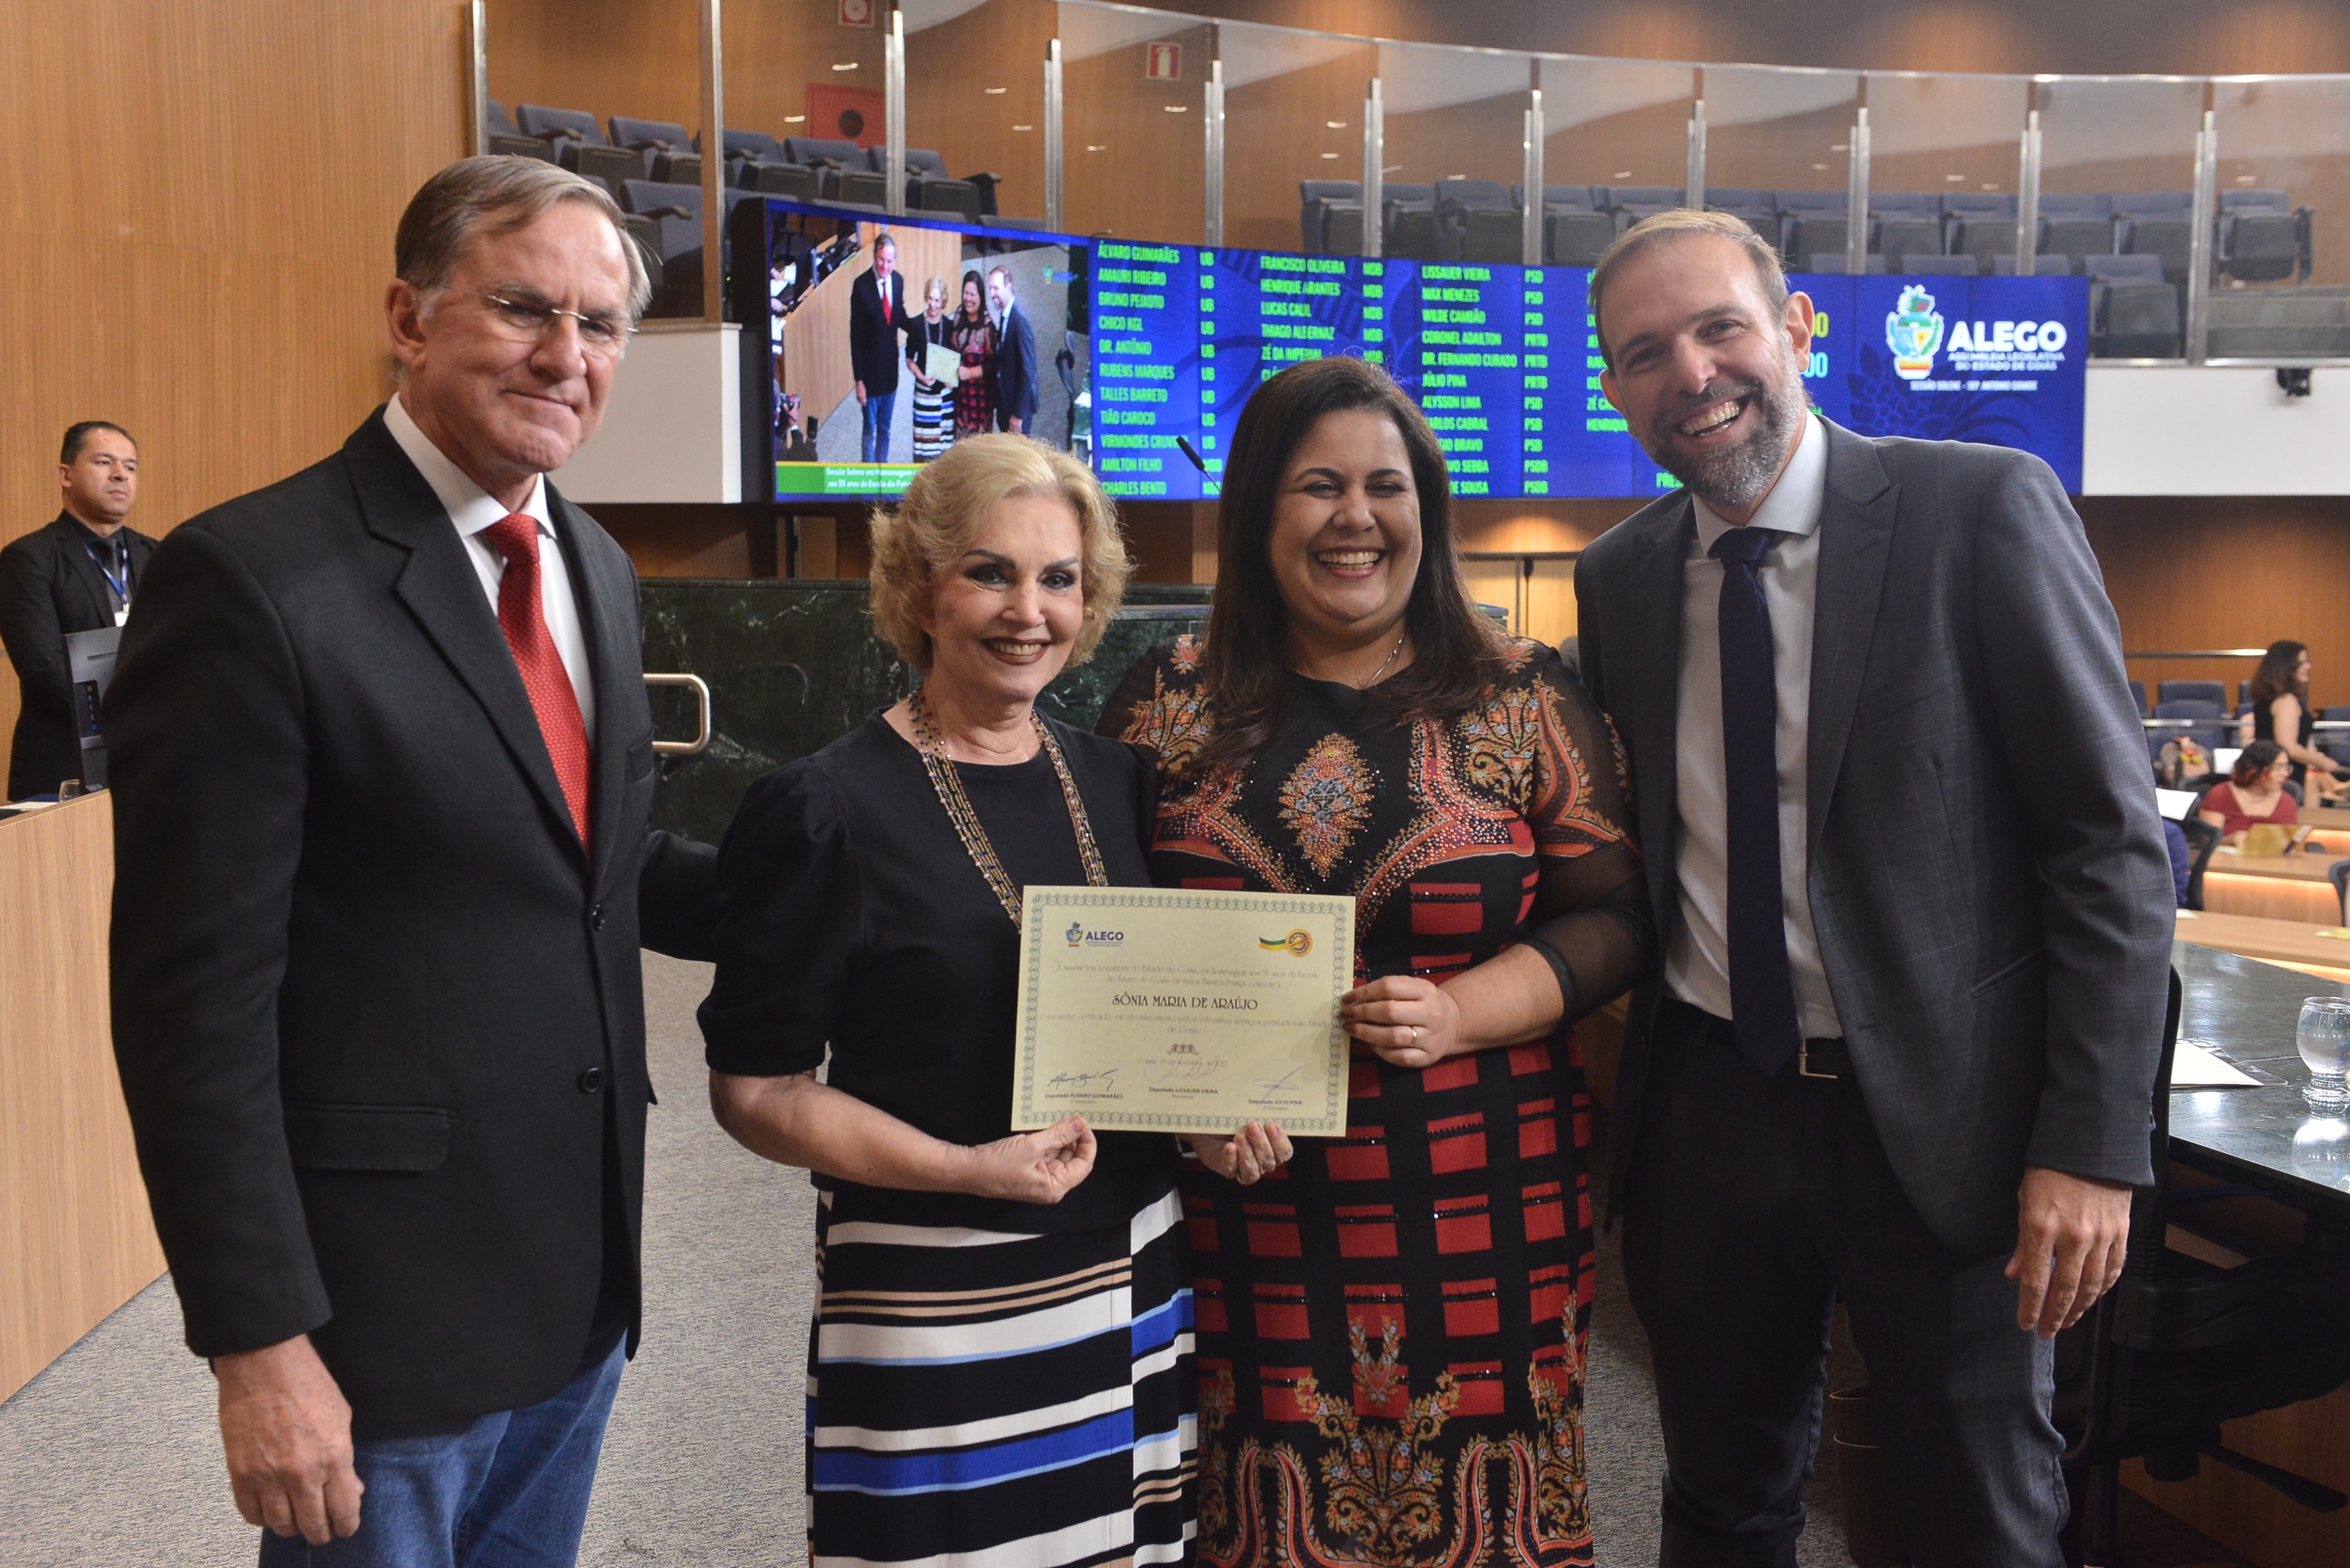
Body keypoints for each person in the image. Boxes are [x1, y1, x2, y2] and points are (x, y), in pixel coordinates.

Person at [105, 156, 722, 1566]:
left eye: (601, 325)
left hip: (575, 1286)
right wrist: (260, 1342)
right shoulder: (251, 578)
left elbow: (593, 866)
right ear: (408, 316)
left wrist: (856, 870)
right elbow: (193, 1011)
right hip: (375, 1327)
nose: (567, 357)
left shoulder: (595, 563)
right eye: (522, 308)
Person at [1573, 210, 2172, 1565]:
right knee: (1719, 1505)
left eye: (1719, 328)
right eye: (1646, 352)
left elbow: (2110, 846)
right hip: (1707, 1113)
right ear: (1616, 387)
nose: (1691, 374)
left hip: (1951, 1123)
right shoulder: (1617, 579)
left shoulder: (1980, 507)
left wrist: (2090, 1144)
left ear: (1795, 329)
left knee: (1977, 1518)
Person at [1098, 356, 1651, 1568]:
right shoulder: (1166, 701)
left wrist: (1460, 1011)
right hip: (1243, 1201)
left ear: (1426, 510)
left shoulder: (1521, 693)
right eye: (1319, 486)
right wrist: (1182, 1108)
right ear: (1259, 510)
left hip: (1482, 1197)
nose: (1356, 517)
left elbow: (1617, 914)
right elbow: (1100, 939)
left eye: (1386, 487)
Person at [699, 435, 1260, 1568]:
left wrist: (1202, 1119)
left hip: (1132, 1273)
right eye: (990, 573)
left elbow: (1138, 1023)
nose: (1028, 611)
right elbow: (755, 1093)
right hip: (941, 1288)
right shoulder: (823, 807)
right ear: (921, 588)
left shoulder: (1119, 781)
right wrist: (967, 1168)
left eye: (1059, 579)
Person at [0, 421, 156, 799]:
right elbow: (45, 668)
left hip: (148, 764)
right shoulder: (29, 559)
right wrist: (138, 711)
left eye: (131, 466)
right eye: (104, 462)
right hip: (62, 767)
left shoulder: (158, 556)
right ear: (65, 475)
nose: (121, 474)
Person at [2239, 639, 2346, 803]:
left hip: (2270, 774)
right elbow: (2288, 747)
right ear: (2286, 667)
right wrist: (2321, 761)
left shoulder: (2268, 699)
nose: (2308, 667)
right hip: (2285, 777)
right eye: (2302, 663)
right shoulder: (2286, 701)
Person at [848, 230, 914, 463]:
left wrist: (922, 326)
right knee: (870, 431)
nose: (885, 266)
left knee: (885, 430)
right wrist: (859, 381)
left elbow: (900, 317)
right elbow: (855, 338)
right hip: (869, 377)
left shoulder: (898, 281)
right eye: (881, 260)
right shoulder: (861, 287)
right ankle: (868, 476)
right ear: (875, 256)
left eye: (890, 261)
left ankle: (882, 471)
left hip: (890, 374)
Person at [2198, 739, 2297, 845]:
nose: (2285, 774)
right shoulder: (2221, 794)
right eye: (2278, 767)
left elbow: (2288, 844)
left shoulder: (2286, 802)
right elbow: (2207, 842)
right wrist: (2230, 840)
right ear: (2254, 769)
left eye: (2286, 767)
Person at [902, 274, 954, 462]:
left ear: (944, 301)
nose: (933, 304)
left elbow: (955, 357)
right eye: (930, 299)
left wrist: (952, 378)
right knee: (923, 452)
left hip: (945, 397)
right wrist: (922, 377)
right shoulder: (916, 324)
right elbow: (909, 359)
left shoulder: (950, 326)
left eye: (937, 300)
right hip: (924, 397)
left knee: (944, 452)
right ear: (926, 297)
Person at [947, 270, 999, 437]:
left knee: (978, 445)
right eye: (965, 293)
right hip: (960, 397)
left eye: (972, 294)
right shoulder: (958, 315)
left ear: (981, 296)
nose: (968, 298)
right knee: (960, 443)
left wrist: (971, 373)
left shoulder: (988, 327)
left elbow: (994, 364)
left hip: (980, 400)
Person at [989, 266, 1040, 435]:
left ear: (1008, 286)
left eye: (996, 288)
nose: (992, 294)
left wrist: (1019, 414)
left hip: (1017, 411)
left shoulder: (1020, 321)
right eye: (990, 289)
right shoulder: (1006, 316)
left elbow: (1028, 371)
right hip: (1006, 406)